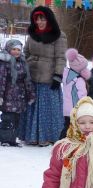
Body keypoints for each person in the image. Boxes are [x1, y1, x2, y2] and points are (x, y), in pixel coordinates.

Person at [20, 6, 67, 146]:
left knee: (48, 110)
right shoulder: (32, 34)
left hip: (49, 78)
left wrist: (58, 75)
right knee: (31, 107)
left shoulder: (59, 35)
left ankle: (48, 137)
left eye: (42, 19)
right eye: (37, 19)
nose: (39, 22)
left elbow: (61, 57)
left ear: (49, 19)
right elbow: (26, 52)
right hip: (31, 76)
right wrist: (26, 65)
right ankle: (31, 136)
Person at [0, 39, 35, 146]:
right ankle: (4, 140)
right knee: (7, 119)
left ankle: (12, 140)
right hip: (8, 96)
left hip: (20, 96)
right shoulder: (4, 62)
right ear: (8, 49)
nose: (16, 52)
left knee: (16, 119)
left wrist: (31, 95)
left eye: (18, 50)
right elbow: (1, 80)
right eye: (13, 49)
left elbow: (27, 80)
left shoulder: (23, 62)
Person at [61, 48, 90, 139]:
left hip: (66, 108)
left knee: (67, 125)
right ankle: (65, 141)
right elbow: (82, 94)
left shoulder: (66, 75)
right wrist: (85, 104)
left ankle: (61, 141)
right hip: (75, 108)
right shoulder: (79, 79)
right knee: (74, 127)